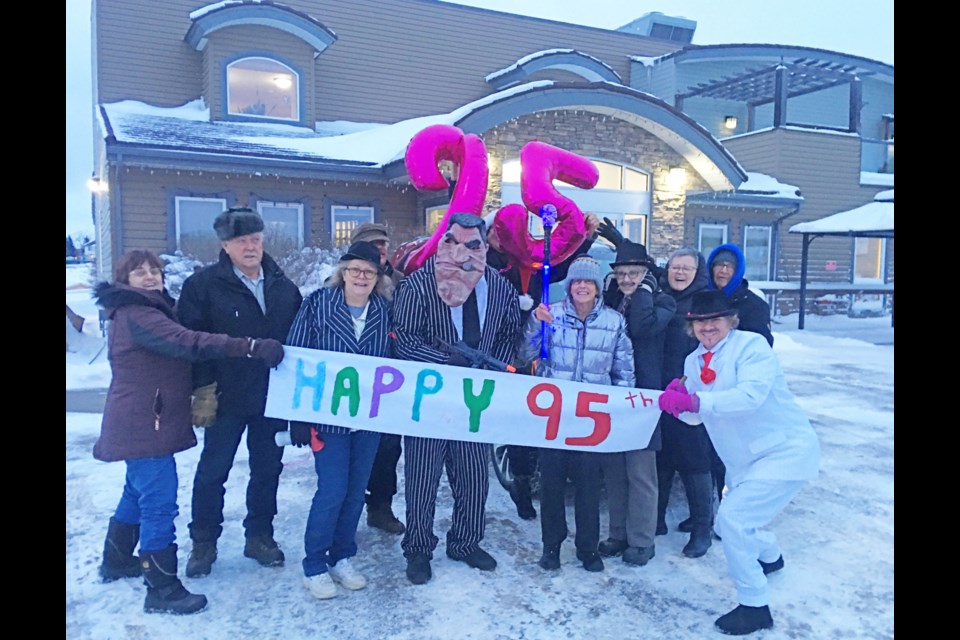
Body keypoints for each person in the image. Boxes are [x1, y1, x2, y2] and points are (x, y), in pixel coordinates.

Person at [93, 250, 285, 614]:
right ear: (125, 281)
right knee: (159, 501)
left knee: (136, 491)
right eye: (139, 272)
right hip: (144, 424)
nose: (150, 277)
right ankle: (162, 588)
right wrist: (250, 346)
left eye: (155, 271)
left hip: (142, 420)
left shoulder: (147, 309)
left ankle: (116, 559)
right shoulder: (140, 314)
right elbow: (190, 341)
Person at [658, 289, 819, 635]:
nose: (708, 327)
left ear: (730, 320)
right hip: (743, 461)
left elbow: (749, 398)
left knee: (732, 520)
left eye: (715, 319)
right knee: (731, 525)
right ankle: (771, 556)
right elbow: (698, 418)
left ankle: (754, 606)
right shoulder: (692, 362)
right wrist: (679, 406)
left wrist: (695, 402)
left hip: (783, 451)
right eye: (700, 322)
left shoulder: (752, 347)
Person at [391, 212, 521, 585]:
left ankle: (465, 542)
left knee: (473, 478)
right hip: (428, 401)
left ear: (483, 245)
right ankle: (418, 548)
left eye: (471, 244)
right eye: (452, 241)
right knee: (422, 479)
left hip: (474, 402)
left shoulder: (499, 288)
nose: (460, 250)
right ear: (443, 240)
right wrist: (446, 361)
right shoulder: (419, 284)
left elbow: (508, 333)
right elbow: (404, 337)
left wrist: (490, 367)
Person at [177, 207, 303, 577]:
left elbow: (298, 339)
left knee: (267, 471)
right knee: (213, 471)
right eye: (241, 240)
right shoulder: (202, 286)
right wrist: (201, 388)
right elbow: (191, 341)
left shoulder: (282, 284)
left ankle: (260, 536)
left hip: (272, 397)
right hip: (225, 396)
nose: (251, 246)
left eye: (256, 239)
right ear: (225, 245)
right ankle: (203, 542)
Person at [283, 240, 395, 599]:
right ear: (343, 272)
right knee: (332, 490)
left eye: (369, 271)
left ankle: (342, 555)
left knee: (355, 491)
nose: (361, 277)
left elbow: (395, 361)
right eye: (355, 270)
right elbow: (296, 356)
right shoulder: (318, 303)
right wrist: (296, 416)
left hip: (368, 418)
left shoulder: (383, 309)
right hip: (326, 416)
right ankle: (314, 563)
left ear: (377, 277)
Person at [518, 256, 635, 573]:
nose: (582, 286)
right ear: (569, 286)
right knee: (552, 485)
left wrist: (621, 409)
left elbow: (623, 370)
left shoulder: (613, 321)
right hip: (555, 416)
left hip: (591, 419)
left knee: (588, 486)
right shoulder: (550, 314)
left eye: (588, 281)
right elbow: (525, 354)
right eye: (576, 281)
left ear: (597, 288)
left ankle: (588, 548)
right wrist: (534, 324)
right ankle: (551, 546)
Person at [483, 210, 600, 521]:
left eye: (507, 230)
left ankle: (525, 481)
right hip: (494, 352)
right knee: (505, 420)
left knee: (527, 421)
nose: (500, 235)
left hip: (529, 350)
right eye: (495, 230)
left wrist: (586, 239)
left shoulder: (531, 265)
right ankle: (511, 485)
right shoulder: (484, 263)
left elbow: (560, 268)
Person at [594, 240, 676, 567]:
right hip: (612, 397)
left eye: (635, 274)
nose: (627, 279)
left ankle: (642, 540)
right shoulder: (611, 301)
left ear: (647, 274)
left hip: (644, 399)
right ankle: (618, 533)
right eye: (622, 274)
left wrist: (643, 291)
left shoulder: (663, 302)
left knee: (641, 473)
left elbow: (642, 329)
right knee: (614, 471)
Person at [655, 247, 717, 558]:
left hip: (692, 394)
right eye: (675, 267)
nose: (679, 272)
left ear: (697, 272)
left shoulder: (706, 302)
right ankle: (656, 518)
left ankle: (702, 527)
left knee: (694, 460)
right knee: (661, 455)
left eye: (687, 268)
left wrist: (692, 389)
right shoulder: (658, 293)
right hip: (658, 392)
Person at [705, 243, 774, 507]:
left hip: (736, 389)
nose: (722, 271)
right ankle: (711, 508)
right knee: (710, 453)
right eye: (717, 265)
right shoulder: (706, 296)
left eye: (728, 266)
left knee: (735, 455)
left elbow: (762, 348)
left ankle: (735, 512)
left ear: (737, 270)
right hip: (709, 384)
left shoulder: (751, 304)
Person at [350, 223, 407, 535]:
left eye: (384, 245)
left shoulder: (399, 282)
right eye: (374, 245)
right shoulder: (342, 283)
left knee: (387, 450)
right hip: (351, 382)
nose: (381, 250)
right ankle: (345, 510)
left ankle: (381, 508)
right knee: (350, 451)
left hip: (389, 382)